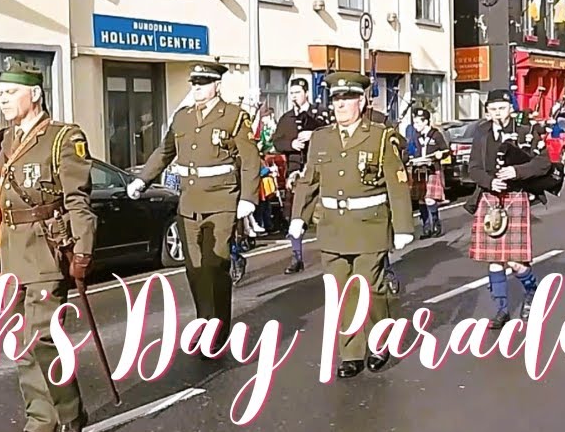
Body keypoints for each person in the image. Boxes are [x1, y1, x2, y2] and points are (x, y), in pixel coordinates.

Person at [0, 59, 95, 432]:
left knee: (45, 337)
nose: (4, 101)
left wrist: (83, 249)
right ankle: (39, 422)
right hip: (8, 254)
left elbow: (77, 200)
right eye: (0, 94)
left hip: (46, 251)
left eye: (11, 93)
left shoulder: (62, 138)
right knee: (21, 343)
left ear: (34, 94)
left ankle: (69, 416)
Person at [287, 72, 413, 379]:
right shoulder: (322, 137)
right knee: (342, 292)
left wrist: (403, 226)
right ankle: (351, 353)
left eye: (347, 100)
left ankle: (378, 342)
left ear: (361, 101)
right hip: (332, 227)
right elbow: (309, 181)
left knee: (370, 288)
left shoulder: (381, 136)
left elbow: (397, 183)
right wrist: (298, 218)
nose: (340, 106)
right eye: (336, 100)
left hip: (369, 225)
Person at [128, 62, 260, 343]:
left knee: (216, 264)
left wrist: (248, 198)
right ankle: (204, 321)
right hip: (189, 202)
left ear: (216, 85)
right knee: (195, 267)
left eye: (203, 82)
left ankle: (218, 329)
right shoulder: (183, 118)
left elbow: (250, 160)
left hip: (221, 201)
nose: (197, 88)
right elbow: (165, 152)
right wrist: (143, 180)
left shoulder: (234, 116)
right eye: (194, 83)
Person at [466, 89, 553, 329]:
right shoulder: (481, 134)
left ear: (510, 109)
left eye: (501, 108)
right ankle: (502, 309)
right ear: (487, 112)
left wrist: (517, 171)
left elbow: (544, 162)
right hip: (490, 197)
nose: (497, 113)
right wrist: (489, 181)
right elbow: (473, 168)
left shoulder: (526, 130)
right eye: (492, 109)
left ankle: (531, 289)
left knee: (515, 262)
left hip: (516, 196)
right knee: (494, 261)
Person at [272, 78, 328, 274]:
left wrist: (313, 135)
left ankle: (331, 254)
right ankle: (297, 257)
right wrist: (291, 144)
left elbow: (332, 134)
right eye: (291, 92)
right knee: (295, 215)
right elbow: (276, 142)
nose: (294, 96)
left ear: (306, 93)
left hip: (320, 170)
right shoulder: (286, 118)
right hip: (295, 171)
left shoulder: (320, 114)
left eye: (297, 92)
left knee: (324, 213)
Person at [407, 108, 449, 239]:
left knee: (430, 199)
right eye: (414, 123)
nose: (416, 126)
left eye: (418, 123)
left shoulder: (436, 135)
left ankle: (436, 224)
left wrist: (440, 154)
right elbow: (410, 151)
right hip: (418, 170)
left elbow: (446, 150)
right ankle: (426, 228)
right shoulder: (415, 136)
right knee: (421, 200)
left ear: (426, 122)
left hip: (432, 169)